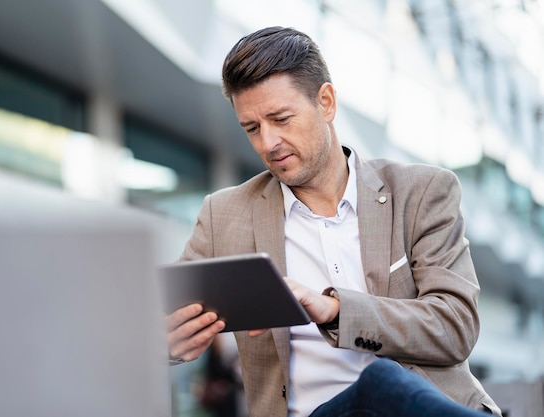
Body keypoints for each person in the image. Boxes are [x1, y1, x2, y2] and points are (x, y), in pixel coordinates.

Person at [165, 26, 502, 417]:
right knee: (378, 383)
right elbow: (153, 317)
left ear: (326, 102)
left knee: (382, 382)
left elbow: (455, 327)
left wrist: (336, 310)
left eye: (281, 119)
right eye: (252, 128)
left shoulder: (422, 192)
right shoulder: (225, 216)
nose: (268, 143)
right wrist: (166, 344)